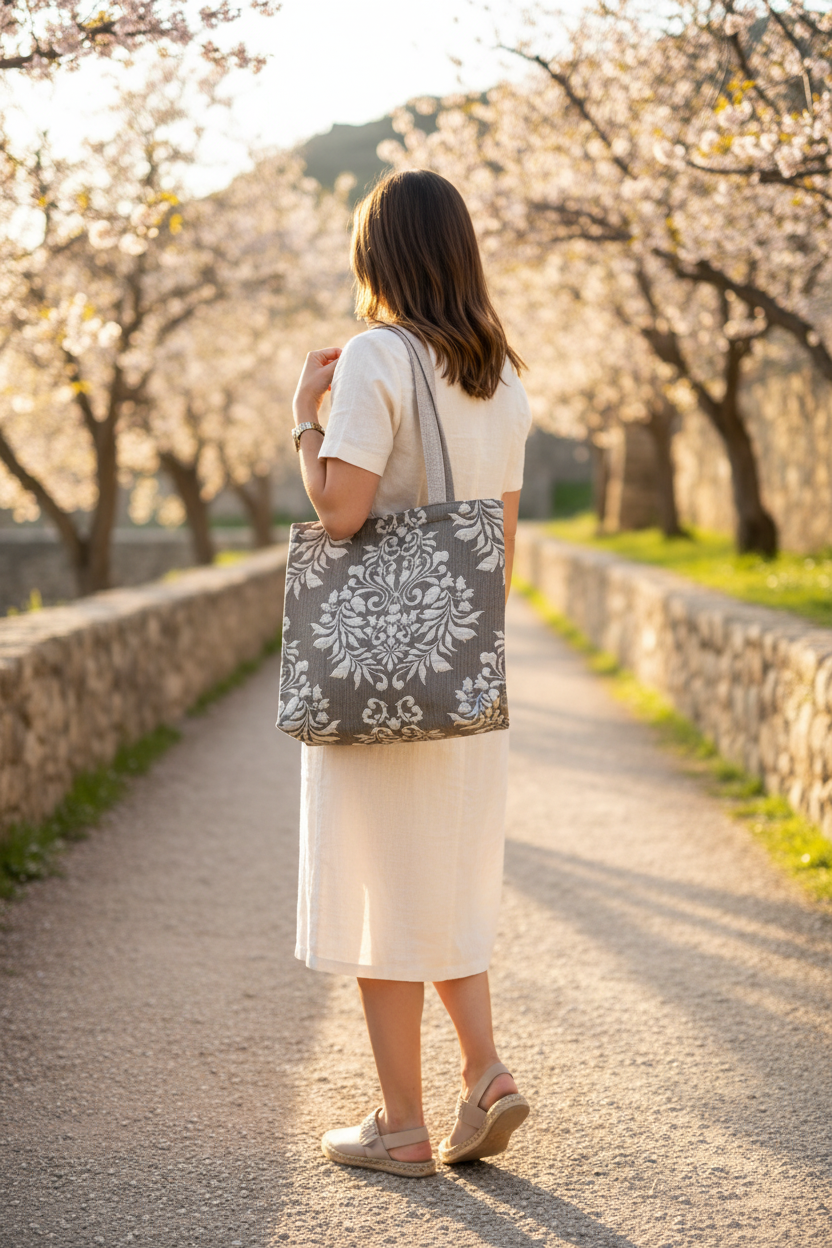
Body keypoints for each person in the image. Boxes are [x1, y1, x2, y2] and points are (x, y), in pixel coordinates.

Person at [288, 170, 533, 1178]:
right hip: (461, 674)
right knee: (443, 879)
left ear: (375, 252)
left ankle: (399, 1125)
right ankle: (485, 1074)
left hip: (375, 678)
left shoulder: (376, 359)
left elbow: (339, 513)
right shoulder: (501, 373)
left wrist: (306, 416)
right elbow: (501, 551)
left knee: (379, 894)